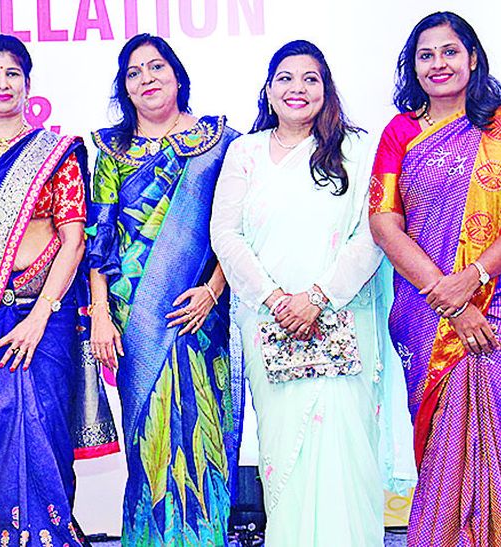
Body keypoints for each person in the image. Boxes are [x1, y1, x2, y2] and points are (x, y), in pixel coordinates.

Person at [0, 34, 117, 546]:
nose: (2, 83)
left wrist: (39, 317)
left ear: (28, 84)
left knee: (46, 431)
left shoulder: (55, 151)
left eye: (12, 73)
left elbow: (73, 239)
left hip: (46, 321)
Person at [210, 40, 385, 545]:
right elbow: (225, 233)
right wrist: (275, 300)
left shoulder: (355, 150)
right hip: (269, 324)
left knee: (344, 447)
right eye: (285, 78)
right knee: (283, 454)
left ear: (326, 89)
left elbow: (371, 233)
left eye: (310, 79)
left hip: (340, 319)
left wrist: (318, 298)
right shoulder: (245, 152)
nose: (297, 89)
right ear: (268, 90)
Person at [87, 33, 241, 545]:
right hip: (133, 318)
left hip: (199, 312)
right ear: (124, 88)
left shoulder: (218, 143)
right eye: (133, 73)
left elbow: (235, 231)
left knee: (202, 433)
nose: (146, 79)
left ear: (178, 76)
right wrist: (101, 315)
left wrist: (213, 291)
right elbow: (99, 238)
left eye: (156, 67)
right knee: (148, 440)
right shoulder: (111, 150)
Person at [369, 11, 501, 546]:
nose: (438, 64)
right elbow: (384, 222)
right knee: (444, 445)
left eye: (450, 52)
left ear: (473, 58)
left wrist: (474, 275)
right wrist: (451, 298)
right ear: (413, 66)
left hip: (495, 303)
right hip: (426, 311)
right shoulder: (400, 132)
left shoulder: (499, 126)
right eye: (426, 55)